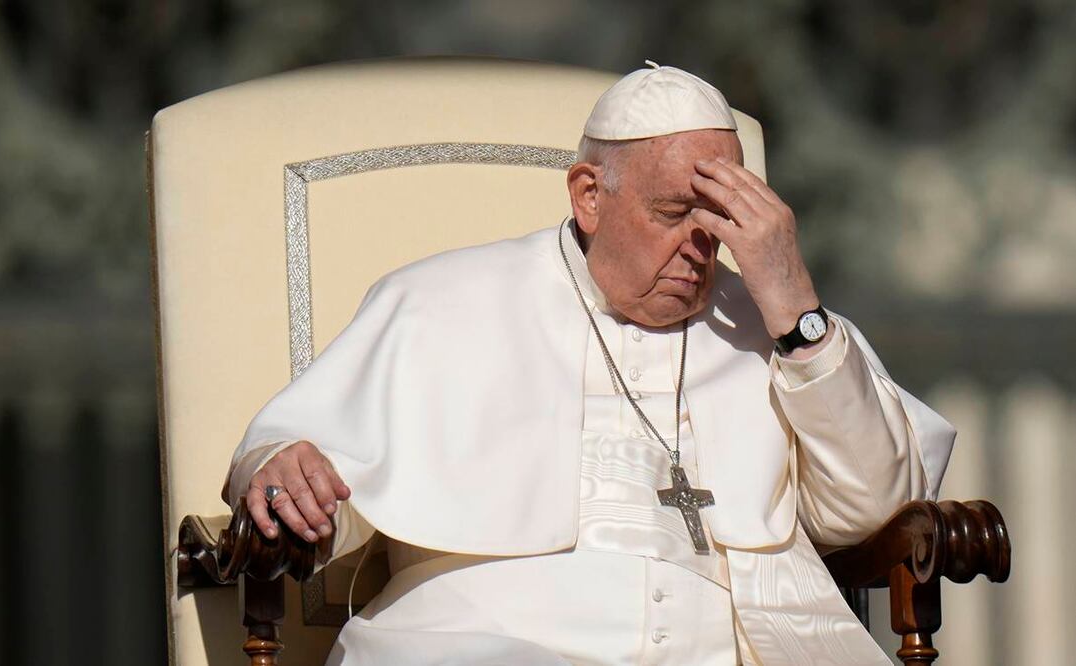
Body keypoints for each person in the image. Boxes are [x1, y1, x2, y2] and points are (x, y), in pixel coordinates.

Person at [223, 61, 954, 665]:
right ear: (589, 196)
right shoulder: (439, 300)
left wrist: (795, 307)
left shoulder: (772, 325)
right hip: (479, 642)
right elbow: (295, 463)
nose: (700, 248)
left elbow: (875, 508)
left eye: (720, 221)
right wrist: (281, 467)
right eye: (673, 214)